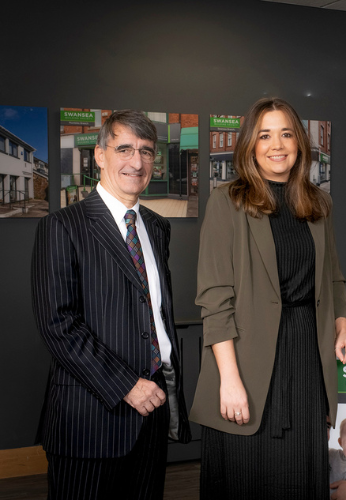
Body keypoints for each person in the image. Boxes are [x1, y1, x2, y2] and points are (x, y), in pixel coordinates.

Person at [189, 97, 346, 499]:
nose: (277, 144)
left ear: (299, 143)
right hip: (245, 362)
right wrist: (229, 381)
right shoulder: (227, 201)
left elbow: (333, 279)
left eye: (286, 133)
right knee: (246, 477)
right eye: (265, 135)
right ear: (250, 144)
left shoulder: (319, 204)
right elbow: (215, 299)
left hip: (305, 358)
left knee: (300, 477)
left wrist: (343, 325)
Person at [31, 110, 191, 499]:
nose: (136, 162)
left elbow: (151, 312)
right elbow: (58, 325)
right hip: (90, 418)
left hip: (152, 411)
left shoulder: (156, 227)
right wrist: (126, 385)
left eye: (146, 152)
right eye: (124, 149)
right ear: (100, 155)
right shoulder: (62, 226)